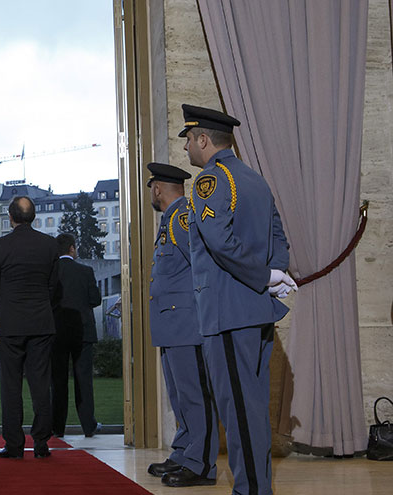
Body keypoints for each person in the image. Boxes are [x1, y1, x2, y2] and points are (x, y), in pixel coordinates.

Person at [180, 104, 296, 495]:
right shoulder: (254, 180)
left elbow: (219, 242)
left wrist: (263, 277)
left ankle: (251, 491)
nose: (186, 151)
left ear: (203, 139)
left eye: (188, 141)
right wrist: (274, 276)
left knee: (239, 412)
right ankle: (258, 486)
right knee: (252, 410)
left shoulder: (210, 181)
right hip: (256, 312)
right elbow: (278, 235)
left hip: (227, 315)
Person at [144, 162, 219, 487]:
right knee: (179, 396)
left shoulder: (182, 217)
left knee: (194, 395)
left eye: (151, 188)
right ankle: (184, 452)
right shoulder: (170, 220)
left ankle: (201, 464)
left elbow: (207, 263)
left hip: (187, 323)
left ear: (158, 188)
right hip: (172, 325)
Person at [0, 196, 58, 459]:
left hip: (11, 323)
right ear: (34, 217)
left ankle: (14, 445)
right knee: (41, 385)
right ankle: (41, 443)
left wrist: (4, 306)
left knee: (11, 387)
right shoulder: (49, 246)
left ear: (10, 217)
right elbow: (53, 286)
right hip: (41, 322)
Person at [50, 233, 101, 438]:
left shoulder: (51, 273)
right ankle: (88, 425)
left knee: (58, 381)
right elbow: (95, 299)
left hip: (57, 332)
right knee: (84, 381)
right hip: (83, 332)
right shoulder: (85, 271)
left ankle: (57, 427)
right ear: (72, 248)